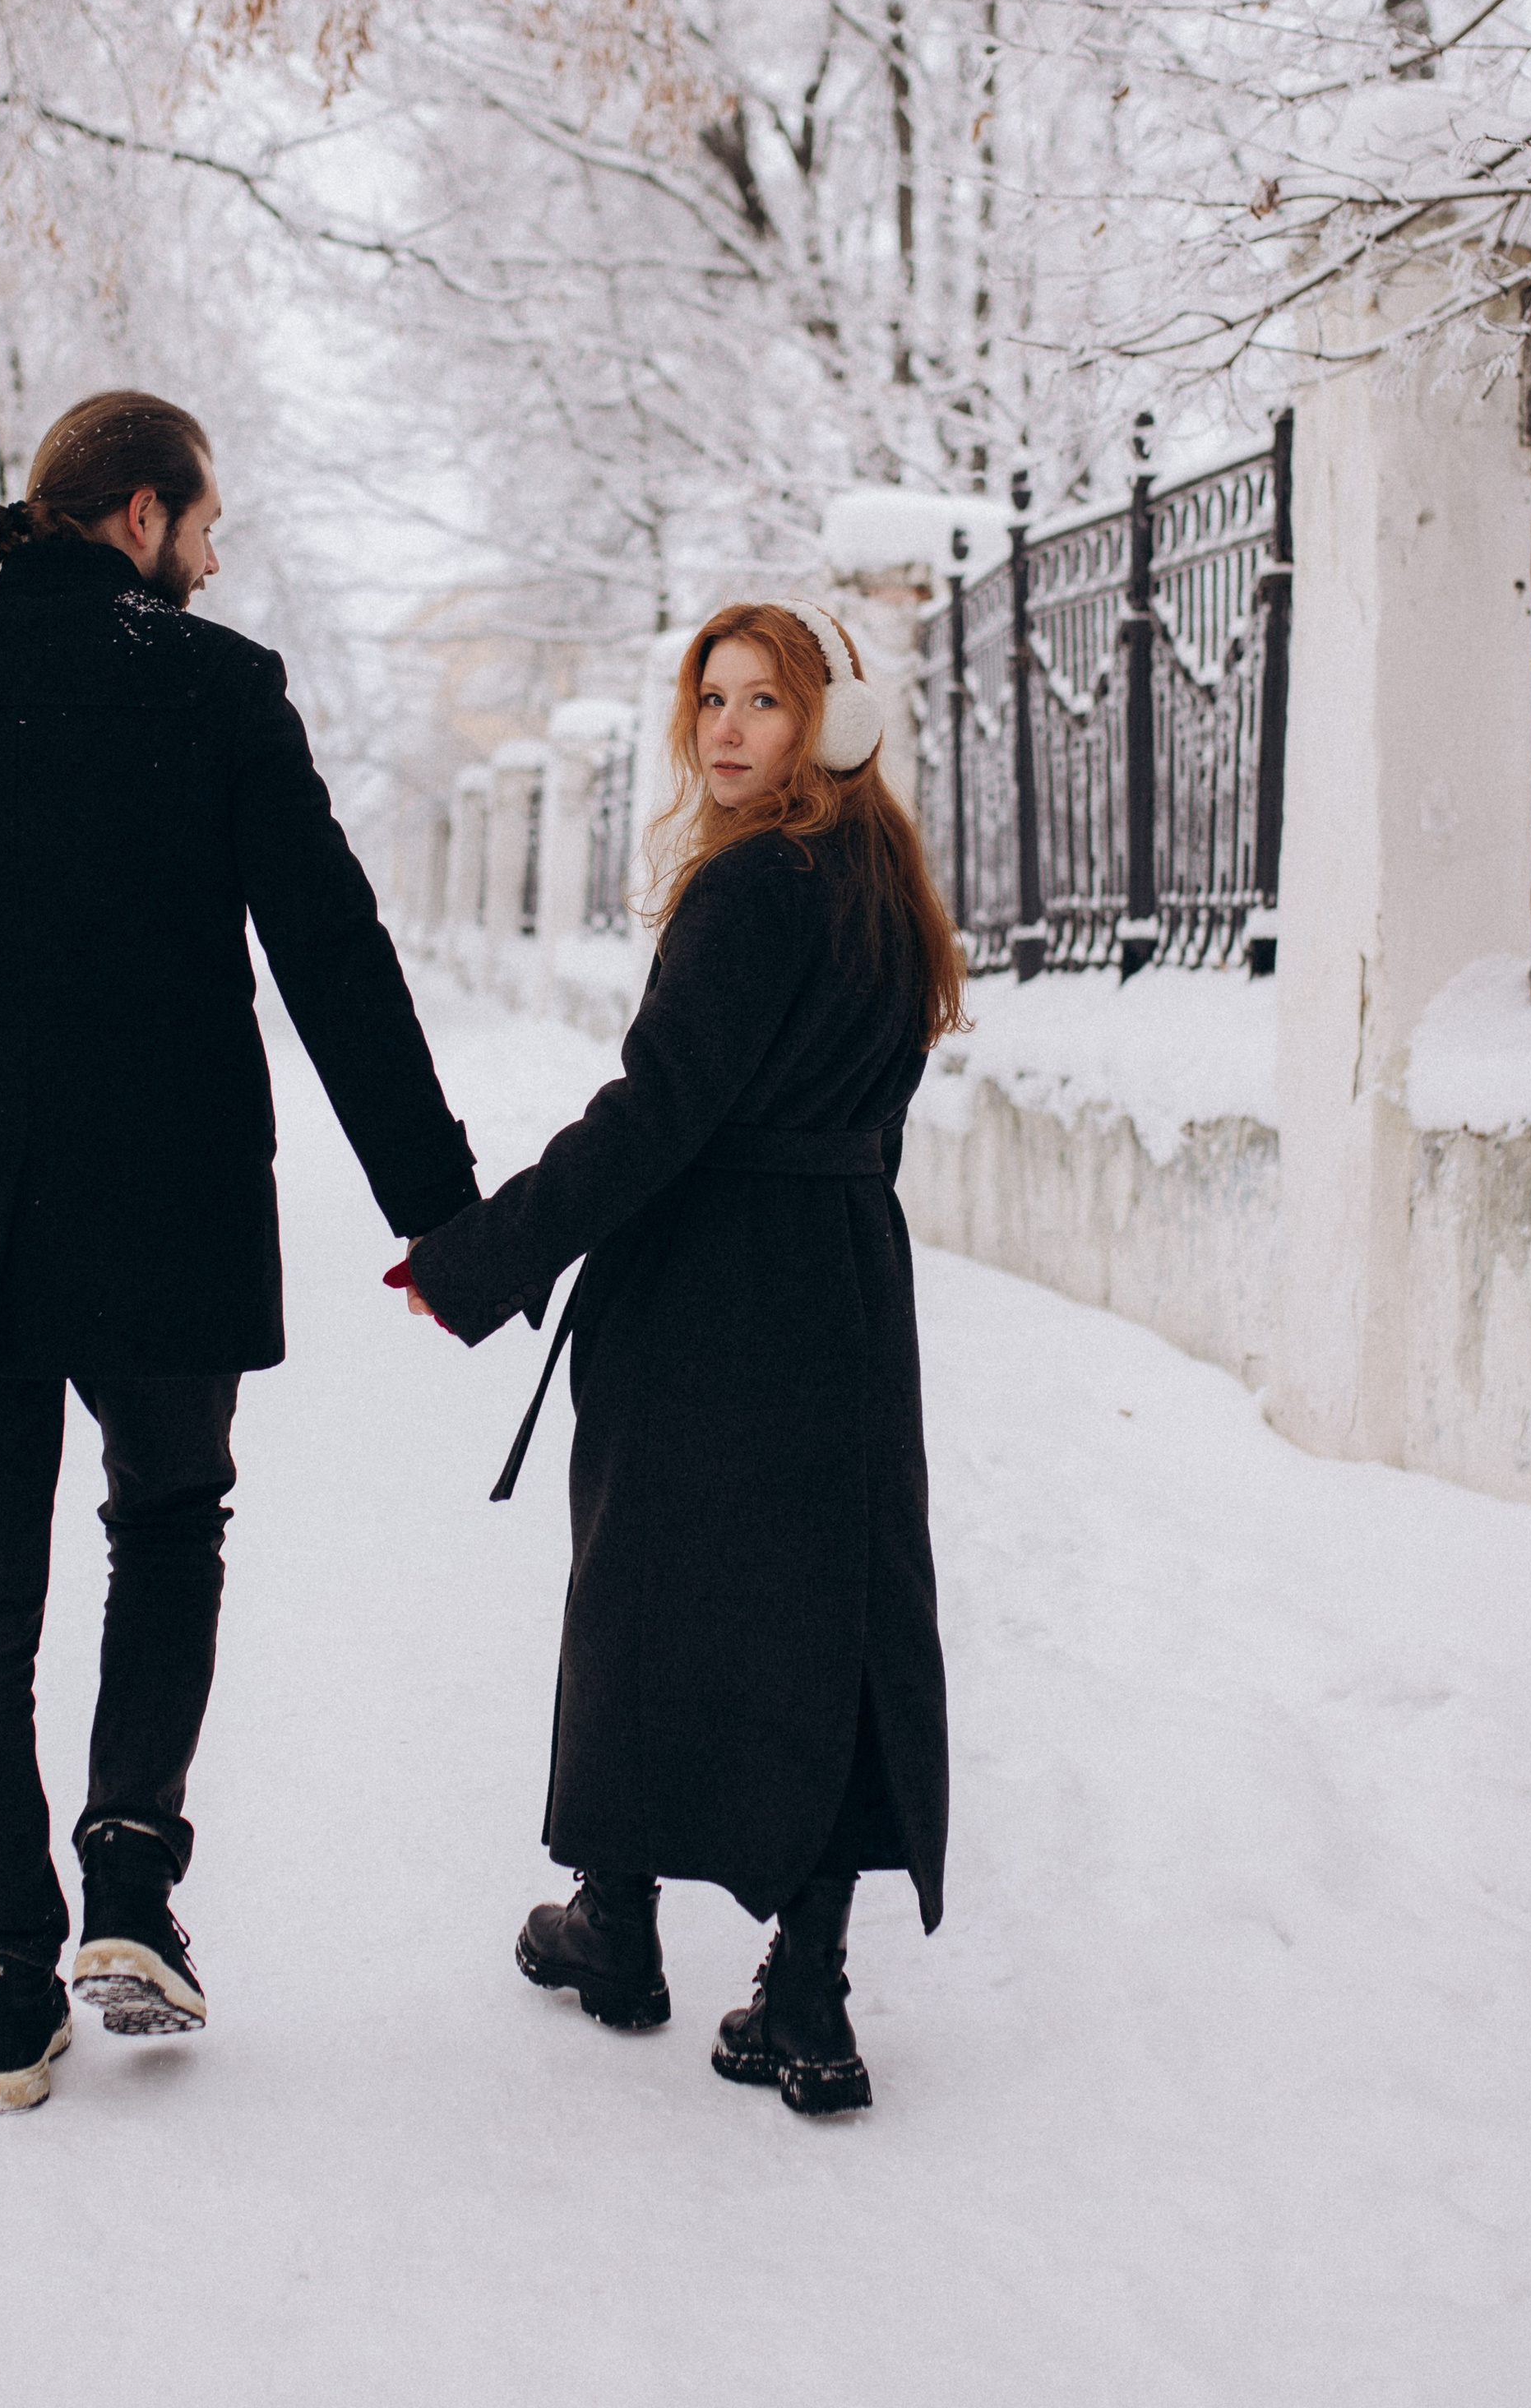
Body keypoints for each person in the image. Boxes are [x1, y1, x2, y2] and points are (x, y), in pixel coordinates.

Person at [0, 390, 478, 2114]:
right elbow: (333, 959)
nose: (216, 557)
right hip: (172, 1201)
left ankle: (5, 1989)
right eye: (207, 521)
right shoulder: (215, 689)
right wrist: (439, 1209)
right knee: (167, 1526)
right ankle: (132, 1886)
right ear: (143, 513)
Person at [393, 599, 964, 2116]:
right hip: (843, 1282)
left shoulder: (752, 892)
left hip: (708, 1284)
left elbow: (657, 1117)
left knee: (649, 1590)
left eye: (764, 703)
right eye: (710, 699)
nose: (724, 729)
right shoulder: (882, 886)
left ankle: (619, 1923)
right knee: (828, 1605)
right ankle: (809, 1997)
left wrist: (478, 1260)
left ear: (828, 724)